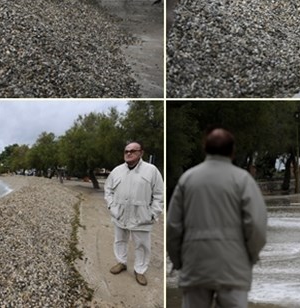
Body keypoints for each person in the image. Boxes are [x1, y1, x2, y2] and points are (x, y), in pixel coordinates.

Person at [166, 127, 267, 308]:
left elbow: (173, 226)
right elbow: (256, 225)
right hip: (233, 266)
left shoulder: (188, 179)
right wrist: (250, 256)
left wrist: (178, 261)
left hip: (195, 264)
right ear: (232, 151)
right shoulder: (243, 180)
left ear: (205, 148)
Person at [104, 140, 164, 286]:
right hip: (120, 215)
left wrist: (152, 214)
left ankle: (140, 270)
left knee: (142, 245)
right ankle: (121, 262)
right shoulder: (117, 171)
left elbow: (159, 194)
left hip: (142, 217)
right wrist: (112, 208)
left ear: (141, 153)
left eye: (133, 151)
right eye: (126, 151)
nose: (129, 153)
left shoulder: (151, 171)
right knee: (120, 240)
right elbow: (108, 190)